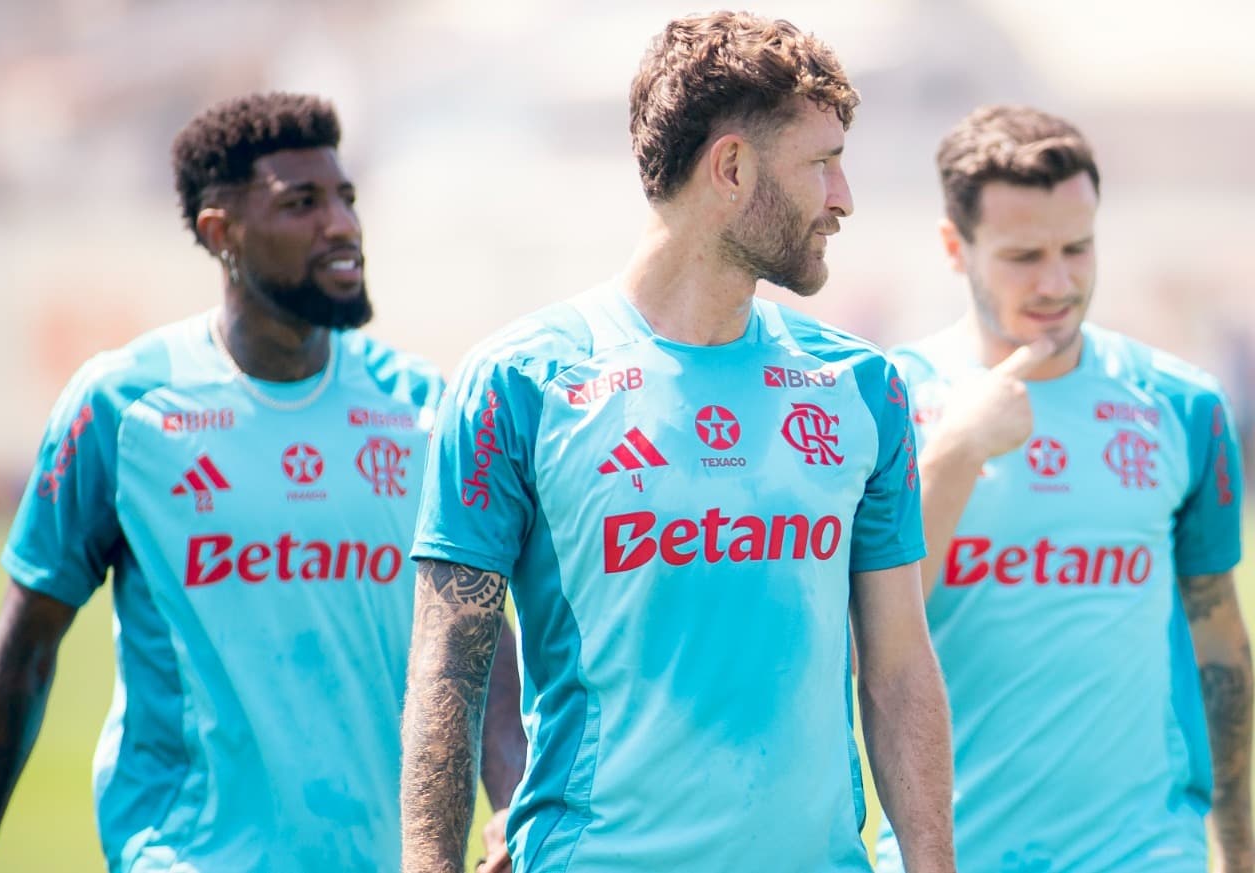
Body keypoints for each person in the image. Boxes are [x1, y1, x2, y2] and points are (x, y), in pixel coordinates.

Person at [402, 12, 956, 873]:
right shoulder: (517, 384)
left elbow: (898, 669)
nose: (843, 196)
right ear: (731, 167)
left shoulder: (862, 388)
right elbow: (448, 673)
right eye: (821, 163)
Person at [0, 92, 524, 873]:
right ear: (220, 232)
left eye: (345, 197)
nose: (341, 224)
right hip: (186, 856)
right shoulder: (123, 409)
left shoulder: (418, 405)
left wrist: (511, 801)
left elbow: (472, 636)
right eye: (302, 203)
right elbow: (24, 654)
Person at [875, 104, 1251, 872]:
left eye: (1077, 248)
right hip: (958, 853)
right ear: (957, 247)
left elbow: (1220, 640)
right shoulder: (888, 403)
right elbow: (871, 643)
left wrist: (1241, 851)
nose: (1057, 281)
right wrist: (955, 450)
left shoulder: (1184, 404)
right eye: (1023, 255)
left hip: (1146, 852)